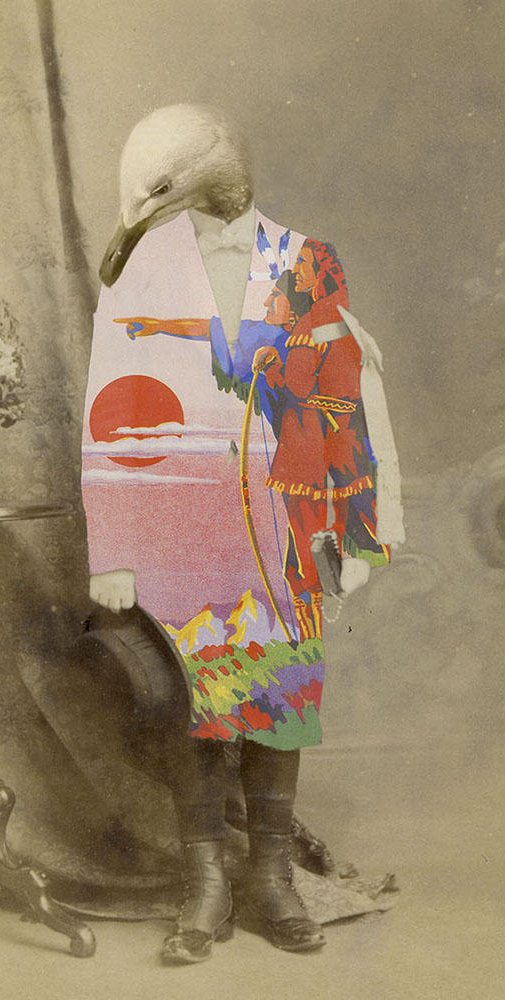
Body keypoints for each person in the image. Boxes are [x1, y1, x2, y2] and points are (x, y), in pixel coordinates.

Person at [83, 103, 403, 964]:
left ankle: (270, 874)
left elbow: (339, 399)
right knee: (196, 695)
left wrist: (350, 529)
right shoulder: (139, 272)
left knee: (279, 696)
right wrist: (113, 548)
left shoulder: (308, 260)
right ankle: (207, 881)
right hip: (177, 520)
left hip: (284, 519)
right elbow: (110, 406)